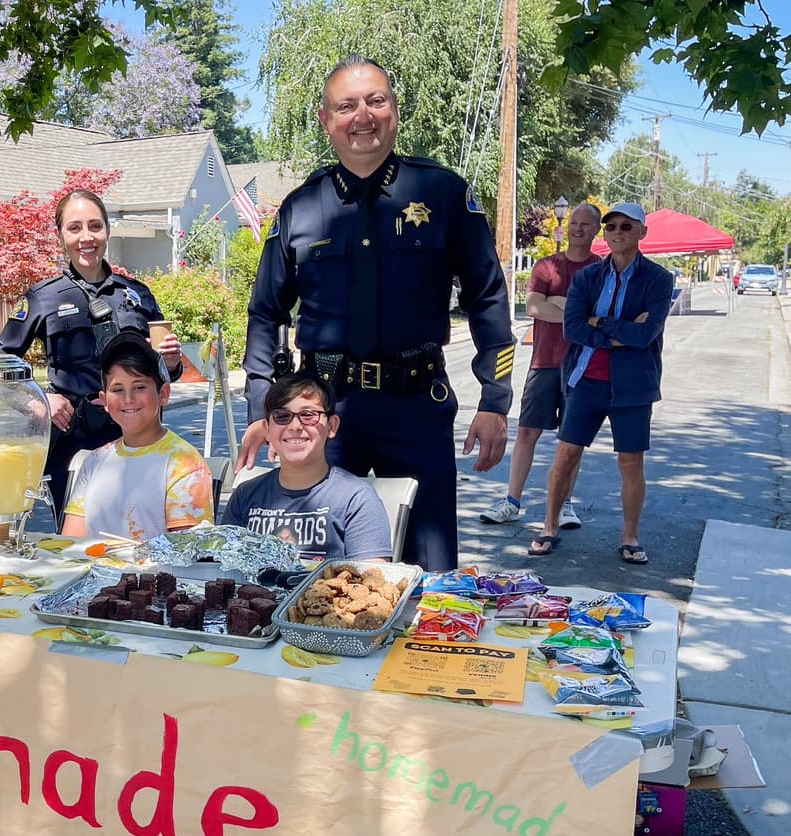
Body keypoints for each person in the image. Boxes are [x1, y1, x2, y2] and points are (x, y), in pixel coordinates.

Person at [240, 55, 514, 572]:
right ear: (327, 120)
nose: (362, 116)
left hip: (416, 406)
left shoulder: (443, 193)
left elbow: (489, 299)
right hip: (324, 411)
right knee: (309, 563)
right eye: (346, 106)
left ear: (394, 109)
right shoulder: (301, 208)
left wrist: (495, 401)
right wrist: (263, 408)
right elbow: (265, 313)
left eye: (375, 101)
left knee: (429, 570)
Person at [0, 189, 184, 520]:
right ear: (60, 236)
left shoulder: (137, 294)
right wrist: (39, 398)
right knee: (77, 533)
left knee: (142, 523)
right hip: (75, 436)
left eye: (95, 226)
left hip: (135, 429)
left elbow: (162, 369)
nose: (87, 237)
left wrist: (170, 363)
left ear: (108, 231)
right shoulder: (44, 297)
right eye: (75, 228)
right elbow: (2, 363)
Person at [528, 202, 672, 564]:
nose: (617, 233)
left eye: (626, 226)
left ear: (642, 232)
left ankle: (630, 537)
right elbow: (572, 328)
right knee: (566, 455)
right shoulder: (587, 278)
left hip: (633, 386)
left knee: (630, 462)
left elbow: (646, 335)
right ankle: (549, 526)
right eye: (611, 227)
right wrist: (617, 328)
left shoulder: (659, 279)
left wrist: (599, 322)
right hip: (586, 380)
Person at [481, 202, 603, 529]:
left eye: (585, 224)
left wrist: (563, 307)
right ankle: (511, 502)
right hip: (544, 363)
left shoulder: (601, 270)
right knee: (527, 433)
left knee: (571, 439)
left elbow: (603, 318)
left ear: (596, 230)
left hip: (583, 366)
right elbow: (534, 306)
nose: (578, 228)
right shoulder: (547, 266)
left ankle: (564, 505)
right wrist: (579, 316)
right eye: (573, 222)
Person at [222, 373, 391, 561]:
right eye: (282, 416)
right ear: (267, 430)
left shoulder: (357, 499)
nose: (295, 426)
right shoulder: (245, 496)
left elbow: (373, 579)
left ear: (332, 426)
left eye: (308, 415)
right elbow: (221, 570)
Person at [61, 334, 212, 541]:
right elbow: (70, 544)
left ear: (163, 394)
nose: (128, 399)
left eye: (139, 387)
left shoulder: (184, 464)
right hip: (91, 571)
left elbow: (187, 553)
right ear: (104, 400)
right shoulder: (94, 462)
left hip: (154, 573)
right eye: (117, 389)